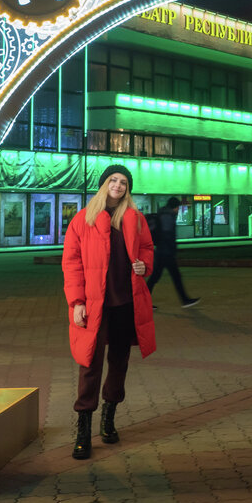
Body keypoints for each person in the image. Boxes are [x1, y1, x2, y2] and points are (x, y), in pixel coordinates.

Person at [62, 165, 156, 460]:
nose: (118, 185)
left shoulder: (135, 219)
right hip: (94, 305)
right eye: (113, 180)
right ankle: (83, 429)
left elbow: (147, 248)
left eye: (124, 182)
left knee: (119, 362)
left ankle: (109, 417)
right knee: (89, 364)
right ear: (104, 184)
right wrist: (77, 302)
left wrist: (144, 265)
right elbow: (72, 263)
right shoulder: (83, 219)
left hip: (125, 304)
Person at [147, 196, 199, 308]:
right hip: (166, 252)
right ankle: (185, 300)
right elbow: (167, 235)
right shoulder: (167, 216)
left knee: (156, 277)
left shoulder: (164, 214)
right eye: (178, 207)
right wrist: (172, 249)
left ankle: (143, 301)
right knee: (175, 277)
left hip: (162, 251)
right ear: (174, 207)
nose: (178, 209)